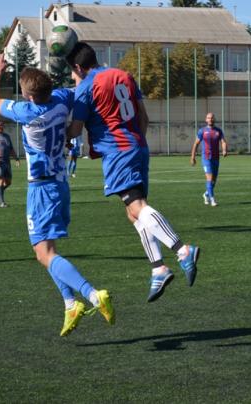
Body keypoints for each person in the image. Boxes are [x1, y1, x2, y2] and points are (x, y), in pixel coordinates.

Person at [0, 53, 114, 337]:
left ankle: (92, 295)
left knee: (44, 253)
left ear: (29, 96)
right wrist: (76, 68)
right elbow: (79, 88)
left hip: (42, 189)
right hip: (60, 184)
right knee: (44, 253)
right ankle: (70, 303)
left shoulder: (27, 111)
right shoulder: (60, 99)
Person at [65, 42, 200, 303]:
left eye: (72, 72)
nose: (72, 76)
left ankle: (183, 250)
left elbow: (75, 130)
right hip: (137, 145)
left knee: (136, 206)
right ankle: (158, 268)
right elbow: (144, 117)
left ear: (79, 67)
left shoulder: (86, 86)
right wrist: (135, 141)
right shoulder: (124, 75)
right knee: (133, 213)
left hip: (118, 151)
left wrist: (55, 130)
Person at [190, 112, 227, 207]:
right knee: (209, 179)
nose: (210, 119)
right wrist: (193, 157)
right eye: (208, 118)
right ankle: (212, 200)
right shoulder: (202, 131)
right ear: (206, 120)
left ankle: (206, 194)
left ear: (214, 119)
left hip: (216, 158)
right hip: (206, 158)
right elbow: (196, 144)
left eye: (211, 118)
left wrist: (224, 150)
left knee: (214, 181)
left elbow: (223, 141)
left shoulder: (218, 131)